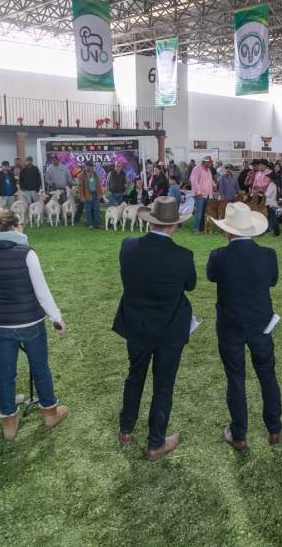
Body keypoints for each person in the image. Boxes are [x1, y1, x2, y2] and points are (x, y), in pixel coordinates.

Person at [113, 197, 196, 460]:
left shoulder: (128, 246)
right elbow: (190, 285)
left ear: (150, 222)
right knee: (163, 384)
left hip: (136, 324)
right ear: (174, 226)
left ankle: (126, 429)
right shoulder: (183, 256)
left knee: (134, 375)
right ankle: (155, 442)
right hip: (168, 329)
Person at [0, 208, 68, 441]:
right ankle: (49, 412)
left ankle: (8, 421)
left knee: (5, 373)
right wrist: (56, 317)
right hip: (30, 322)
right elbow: (42, 292)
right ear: (14, 227)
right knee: (40, 368)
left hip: (0, 322)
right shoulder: (26, 253)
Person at [206, 203, 282, 451]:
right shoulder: (268, 255)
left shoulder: (218, 256)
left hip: (230, 325)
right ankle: (274, 428)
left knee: (235, 378)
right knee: (267, 374)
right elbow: (272, 280)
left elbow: (211, 276)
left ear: (228, 231)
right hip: (261, 322)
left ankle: (239, 434)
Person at [189, 156, 215, 233]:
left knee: (204, 212)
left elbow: (210, 180)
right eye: (210, 162)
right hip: (199, 195)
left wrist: (214, 185)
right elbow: (193, 181)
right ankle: (196, 229)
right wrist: (198, 192)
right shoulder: (196, 169)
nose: (211, 164)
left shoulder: (208, 170)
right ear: (205, 162)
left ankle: (202, 228)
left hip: (207, 194)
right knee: (199, 212)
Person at [76, 160, 103, 230]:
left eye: (91, 166)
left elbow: (99, 185)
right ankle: (90, 224)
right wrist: (81, 196)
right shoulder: (81, 176)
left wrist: (100, 194)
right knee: (88, 210)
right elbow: (80, 187)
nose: (89, 168)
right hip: (87, 195)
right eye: (88, 166)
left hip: (96, 194)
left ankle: (97, 224)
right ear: (85, 167)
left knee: (96, 209)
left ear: (93, 167)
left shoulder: (95, 174)